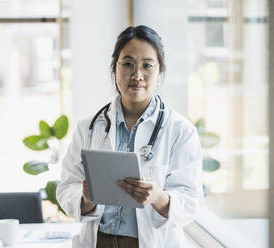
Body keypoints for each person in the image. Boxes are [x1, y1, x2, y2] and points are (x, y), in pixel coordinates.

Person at [57, 25, 203, 248]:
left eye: (147, 66)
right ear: (115, 69)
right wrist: (86, 198)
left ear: (160, 72)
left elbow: (191, 202)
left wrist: (158, 197)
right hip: (98, 242)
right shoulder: (88, 127)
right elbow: (67, 187)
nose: (137, 75)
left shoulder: (180, 131)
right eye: (127, 64)